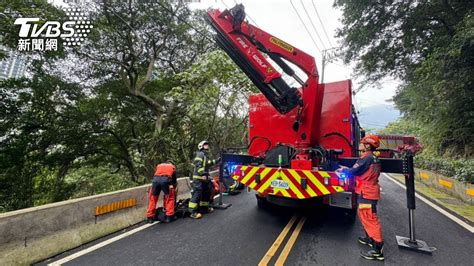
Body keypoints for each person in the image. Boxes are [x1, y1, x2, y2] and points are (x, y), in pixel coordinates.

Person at [337, 135, 384, 261]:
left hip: (367, 192)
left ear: (368, 145)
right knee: (364, 215)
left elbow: (354, 171)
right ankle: (369, 238)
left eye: (362, 143)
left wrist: (344, 170)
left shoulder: (366, 158)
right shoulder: (373, 157)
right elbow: (359, 170)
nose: (360, 145)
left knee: (369, 217)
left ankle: (377, 249)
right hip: (369, 190)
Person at [188, 140, 219, 219]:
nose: (207, 146)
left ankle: (204, 208)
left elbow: (209, 163)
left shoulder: (205, 155)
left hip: (204, 178)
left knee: (206, 192)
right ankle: (192, 211)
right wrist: (203, 174)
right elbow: (198, 165)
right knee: (197, 193)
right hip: (198, 178)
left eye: (207, 145)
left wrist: (218, 160)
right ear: (201, 146)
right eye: (205, 145)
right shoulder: (200, 154)